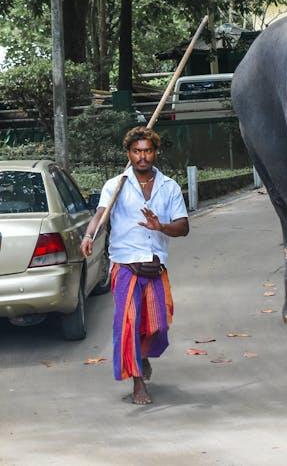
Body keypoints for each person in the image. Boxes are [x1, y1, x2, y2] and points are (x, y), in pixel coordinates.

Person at [80, 126, 189, 405]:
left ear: (155, 152)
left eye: (148, 151)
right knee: (129, 324)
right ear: (128, 153)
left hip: (156, 268)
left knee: (157, 326)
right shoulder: (115, 186)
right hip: (126, 267)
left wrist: (161, 226)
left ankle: (142, 355)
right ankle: (138, 382)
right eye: (137, 151)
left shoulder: (169, 186)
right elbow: (100, 215)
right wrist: (89, 235)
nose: (143, 157)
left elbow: (184, 227)